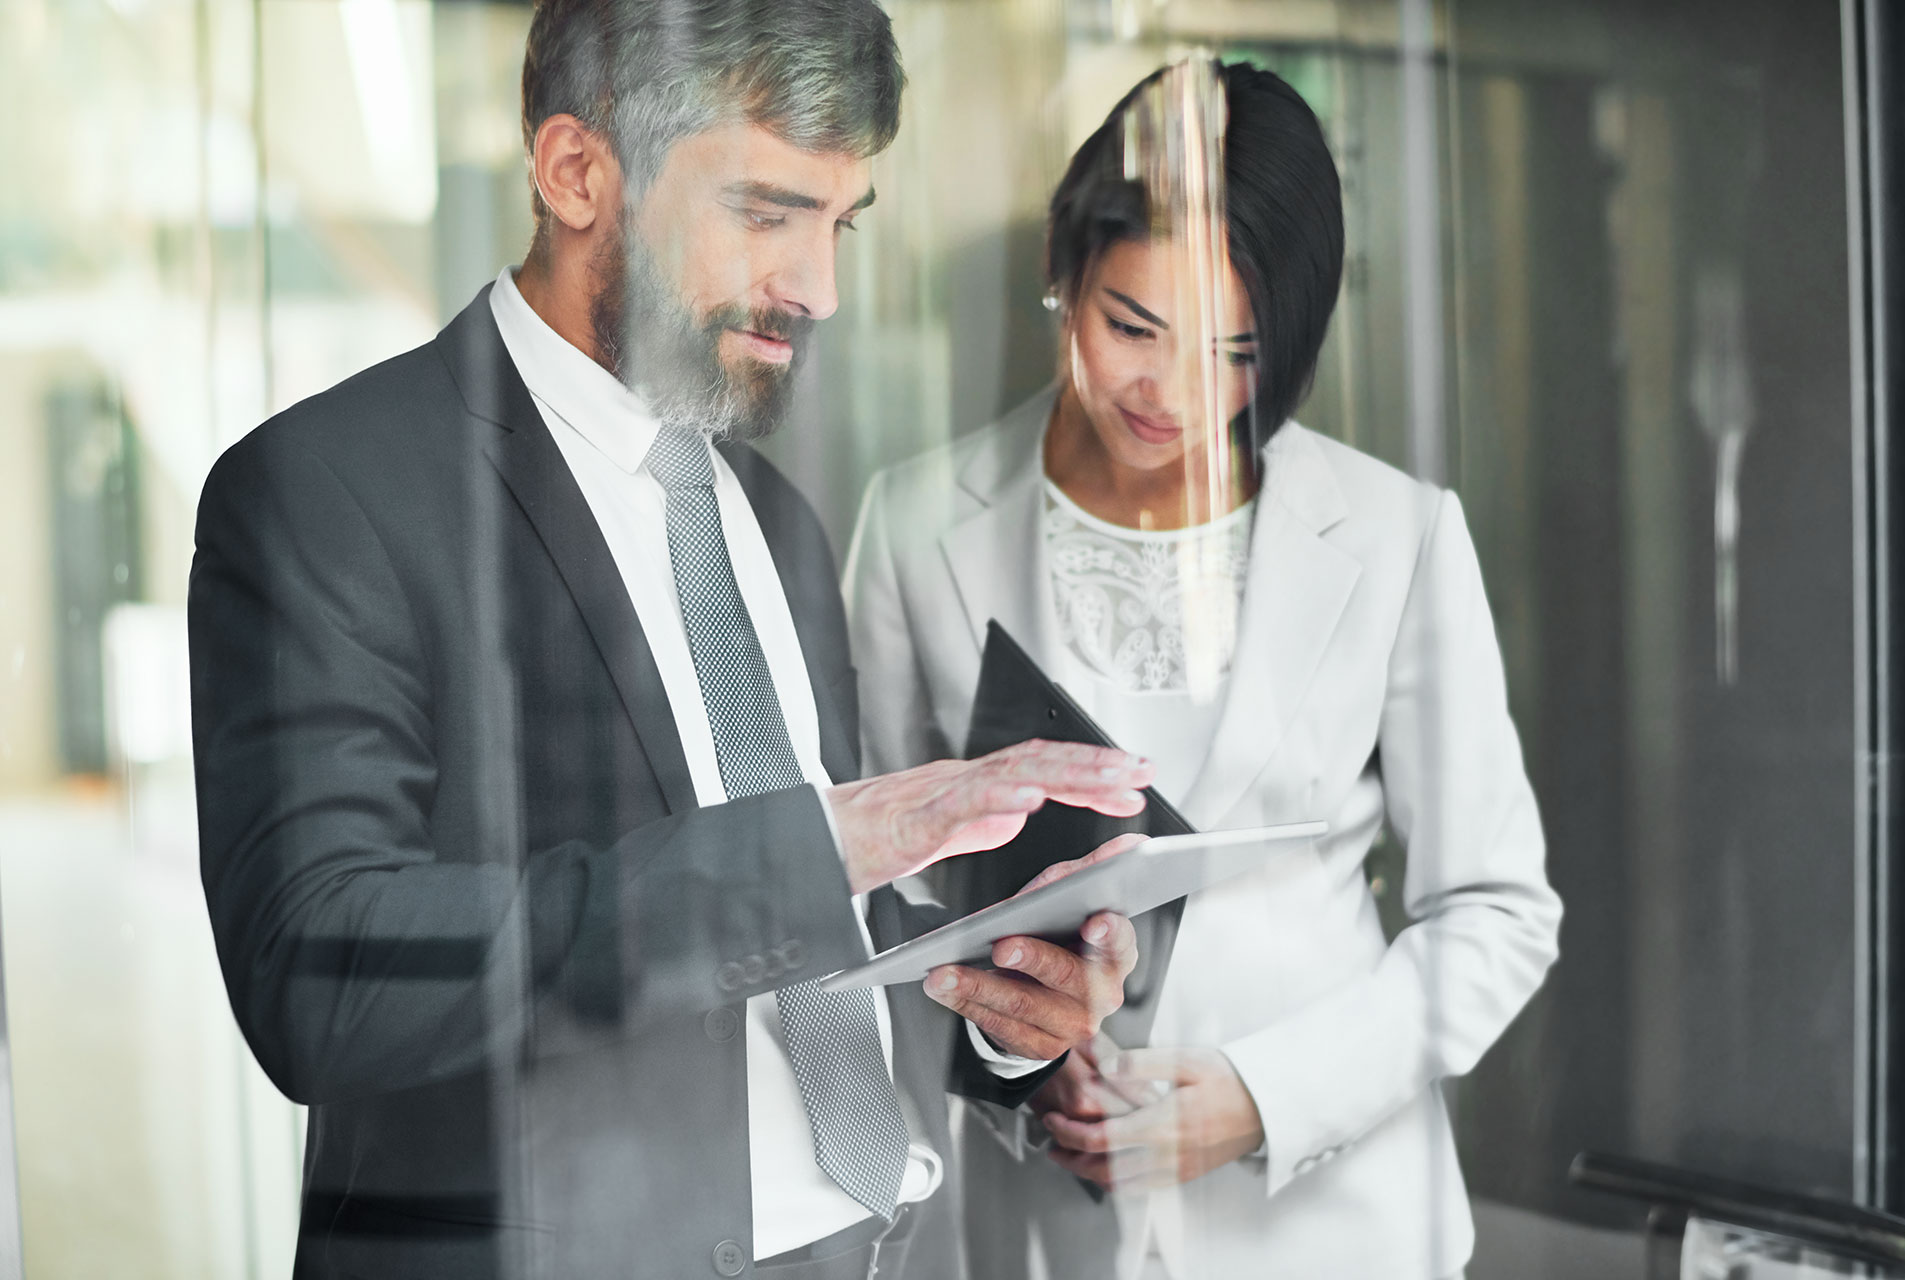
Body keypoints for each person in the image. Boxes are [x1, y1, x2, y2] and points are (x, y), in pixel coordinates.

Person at [186, 3, 1155, 1277]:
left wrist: (1009, 1009)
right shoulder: (329, 490)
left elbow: (815, 956)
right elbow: (323, 982)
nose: (819, 288)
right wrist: (811, 848)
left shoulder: (778, 525)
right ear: (577, 172)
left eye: (840, 222)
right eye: (767, 213)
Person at [844, 61, 1563, 1279]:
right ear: (1063, 279)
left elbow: (1497, 912)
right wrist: (1013, 1058)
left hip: (1339, 1228)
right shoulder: (914, 523)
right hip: (1040, 1224)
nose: (1172, 393)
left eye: (1233, 351)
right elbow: (865, 901)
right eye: (1135, 327)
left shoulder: (1397, 532)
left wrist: (1258, 1097)